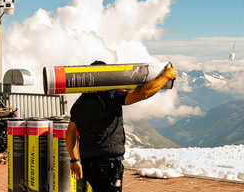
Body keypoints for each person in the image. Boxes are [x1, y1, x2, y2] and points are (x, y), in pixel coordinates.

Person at [66, 60, 177, 192]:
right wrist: (165, 76)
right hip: (108, 163)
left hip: (88, 164)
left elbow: (70, 132)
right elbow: (142, 94)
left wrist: (74, 160)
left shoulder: (79, 105)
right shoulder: (108, 95)